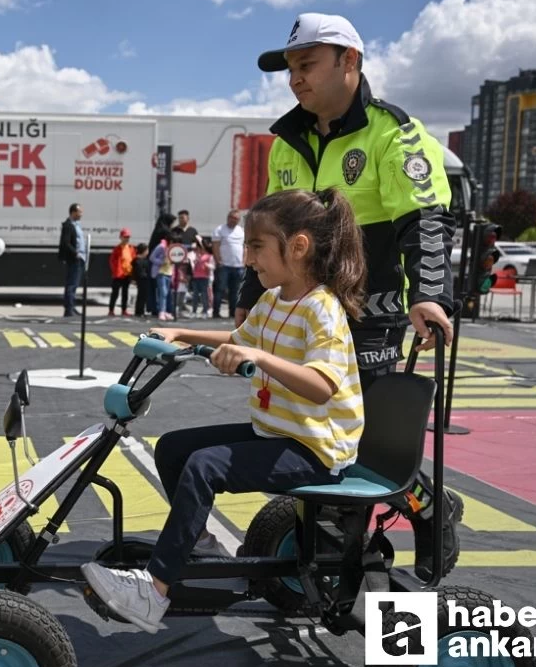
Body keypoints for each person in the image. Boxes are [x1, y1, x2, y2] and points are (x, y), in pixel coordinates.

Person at [82, 188, 368, 634]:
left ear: (298, 246)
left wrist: (262, 360)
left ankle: (153, 592)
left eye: (257, 246)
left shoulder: (322, 309)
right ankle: (201, 547)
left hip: (317, 447)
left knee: (204, 466)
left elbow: (321, 387)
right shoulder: (273, 300)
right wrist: (179, 332)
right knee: (174, 449)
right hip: (280, 432)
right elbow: (239, 338)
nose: (248, 257)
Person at [238, 12, 462, 580]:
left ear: (350, 63)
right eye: (290, 68)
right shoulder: (286, 142)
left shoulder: (395, 134)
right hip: (307, 313)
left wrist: (431, 296)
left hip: (375, 315)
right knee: (308, 430)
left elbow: (425, 222)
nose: (295, 78)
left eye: (306, 64)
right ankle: (329, 547)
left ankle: (426, 512)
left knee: (354, 441)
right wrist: (247, 293)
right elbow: (271, 228)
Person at [211, 209, 246, 318]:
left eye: (237, 219)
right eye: (232, 218)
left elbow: (245, 247)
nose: (234, 221)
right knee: (220, 290)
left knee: (235, 291)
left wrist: (244, 261)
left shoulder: (241, 231)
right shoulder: (220, 230)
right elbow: (215, 246)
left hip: (238, 266)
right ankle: (216, 312)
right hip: (224, 266)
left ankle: (232, 313)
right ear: (228, 218)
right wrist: (218, 261)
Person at [58, 203, 86, 317]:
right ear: (73, 212)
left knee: (75, 285)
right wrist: (76, 253)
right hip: (74, 259)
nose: (81, 214)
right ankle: (68, 309)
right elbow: (66, 242)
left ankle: (71, 307)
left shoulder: (77, 225)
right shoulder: (68, 225)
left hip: (80, 258)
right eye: (79, 212)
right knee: (71, 284)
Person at [108, 228, 135, 317]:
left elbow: (133, 260)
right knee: (115, 293)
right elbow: (112, 261)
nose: (127, 238)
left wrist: (132, 273)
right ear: (121, 237)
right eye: (125, 237)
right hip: (118, 274)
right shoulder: (117, 249)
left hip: (127, 274)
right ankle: (111, 310)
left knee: (125, 293)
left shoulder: (131, 248)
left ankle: (124, 310)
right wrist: (115, 271)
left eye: (128, 237)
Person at [149, 236, 175, 321]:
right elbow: (152, 257)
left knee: (167, 293)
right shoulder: (161, 247)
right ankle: (161, 311)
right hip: (161, 272)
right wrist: (161, 262)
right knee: (163, 292)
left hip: (169, 273)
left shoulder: (173, 249)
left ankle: (165, 311)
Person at [187, 241, 213, 318]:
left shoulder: (208, 256)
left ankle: (205, 311)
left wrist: (207, 265)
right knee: (195, 295)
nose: (198, 250)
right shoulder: (195, 256)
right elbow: (192, 266)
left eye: (199, 248)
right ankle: (194, 311)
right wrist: (195, 261)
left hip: (204, 278)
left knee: (204, 295)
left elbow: (213, 266)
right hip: (196, 277)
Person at [132, 242, 152, 318]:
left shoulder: (144, 260)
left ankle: (140, 311)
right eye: (147, 250)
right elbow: (137, 271)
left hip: (144, 280)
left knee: (143, 296)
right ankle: (139, 311)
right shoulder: (137, 260)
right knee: (141, 296)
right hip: (141, 280)